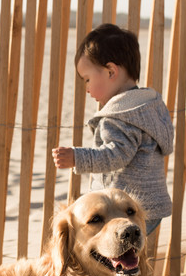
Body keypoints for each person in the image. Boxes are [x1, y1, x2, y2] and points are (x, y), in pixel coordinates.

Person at [52, 23, 174, 236]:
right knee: (131, 256)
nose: (87, 88)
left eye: (88, 79)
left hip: (127, 209)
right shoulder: (147, 107)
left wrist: (77, 158)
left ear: (111, 71)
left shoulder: (119, 115)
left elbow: (115, 155)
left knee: (116, 254)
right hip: (151, 203)